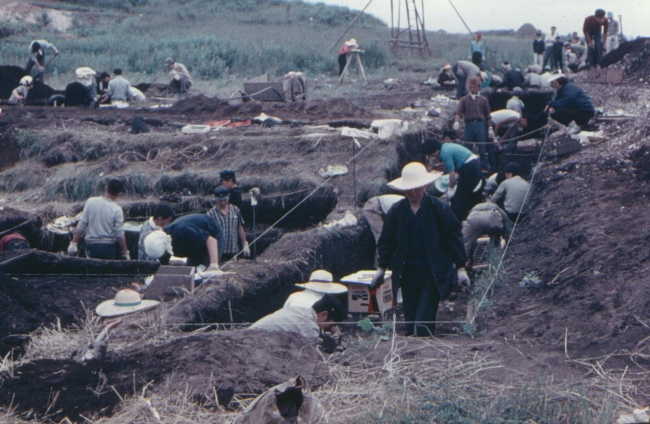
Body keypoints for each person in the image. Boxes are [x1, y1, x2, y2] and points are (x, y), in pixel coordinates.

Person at [369, 162, 468, 337]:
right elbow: (387, 241)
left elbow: (453, 236)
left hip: (432, 271)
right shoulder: (397, 210)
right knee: (410, 321)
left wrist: (460, 267)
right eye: (409, 190)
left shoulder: (439, 209)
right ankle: (409, 355)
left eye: (416, 189)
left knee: (423, 324)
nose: (413, 193)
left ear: (424, 186)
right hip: (407, 272)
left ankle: (423, 345)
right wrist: (381, 268)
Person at [423, 138, 484, 222]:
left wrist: (450, 189)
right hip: (472, 164)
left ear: (434, 151)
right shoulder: (445, 146)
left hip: (470, 168)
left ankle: (457, 222)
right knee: (462, 195)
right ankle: (464, 217)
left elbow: (452, 174)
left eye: (432, 154)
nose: (433, 157)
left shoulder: (444, 153)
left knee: (458, 199)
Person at [68, 179, 129, 260]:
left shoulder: (91, 202)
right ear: (119, 194)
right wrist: (125, 251)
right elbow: (119, 234)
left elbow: (82, 224)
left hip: (91, 246)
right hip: (107, 247)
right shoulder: (117, 210)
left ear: (106, 188)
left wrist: (74, 243)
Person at [250, 294, 347, 341]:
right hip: (250, 340)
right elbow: (317, 350)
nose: (328, 328)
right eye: (330, 324)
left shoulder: (300, 310)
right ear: (324, 315)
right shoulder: (308, 325)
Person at [452, 76, 494, 173]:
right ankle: (467, 167)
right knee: (467, 146)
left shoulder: (483, 100)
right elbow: (458, 111)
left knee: (482, 148)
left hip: (480, 125)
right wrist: (456, 121)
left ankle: (484, 168)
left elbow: (488, 115)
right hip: (469, 125)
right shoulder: (464, 99)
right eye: (470, 87)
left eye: (474, 87)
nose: (472, 89)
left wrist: (490, 128)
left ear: (478, 87)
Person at [462, 202, 512, 272]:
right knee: (496, 244)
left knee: (466, 245)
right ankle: (497, 266)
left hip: (474, 217)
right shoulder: (499, 209)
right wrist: (509, 242)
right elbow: (508, 228)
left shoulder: (474, 208)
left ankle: (464, 268)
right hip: (493, 216)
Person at [207, 186, 250, 262]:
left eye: (224, 200)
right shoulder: (211, 214)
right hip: (219, 252)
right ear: (216, 199)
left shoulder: (235, 210)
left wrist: (244, 243)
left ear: (228, 198)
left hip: (233, 250)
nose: (223, 202)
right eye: (220, 201)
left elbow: (239, 227)